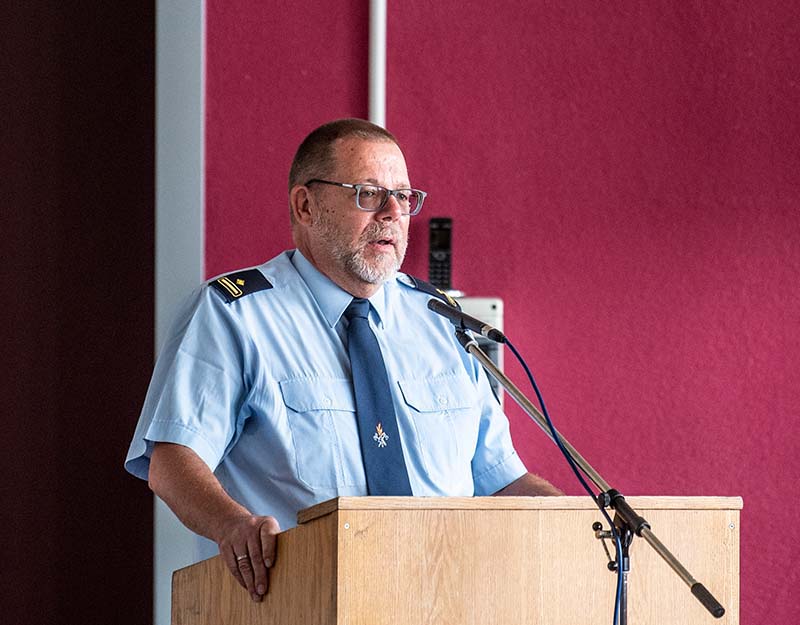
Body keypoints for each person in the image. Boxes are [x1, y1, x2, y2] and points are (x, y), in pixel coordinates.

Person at [125, 118, 561, 603]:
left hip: (442, 599)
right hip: (298, 600)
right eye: (368, 193)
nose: (394, 212)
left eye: (405, 196)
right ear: (306, 204)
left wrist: (580, 525)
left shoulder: (443, 321)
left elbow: (499, 482)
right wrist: (233, 525)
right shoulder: (235, 314)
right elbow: (172, 460)